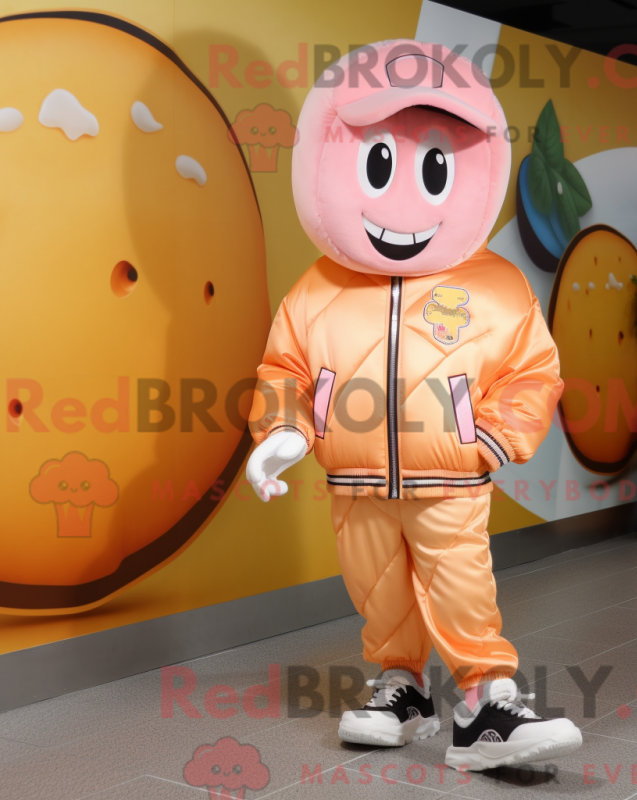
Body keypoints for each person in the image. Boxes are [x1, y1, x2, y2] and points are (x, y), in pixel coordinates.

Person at [246, 39, 582, 771]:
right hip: (355, 481)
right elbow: (284, 369)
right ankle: (401, 688)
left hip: (451, 477)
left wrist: (489, 437)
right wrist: (284, 431)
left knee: (461, 585)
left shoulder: (497, 286)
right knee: (379, 592)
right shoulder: (317, 287)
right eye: (378, 163)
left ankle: (486, 703)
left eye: (435, 169)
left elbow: (533, 373)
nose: (401, 203)